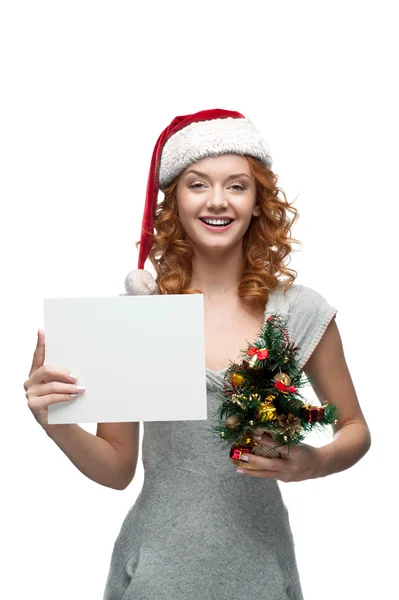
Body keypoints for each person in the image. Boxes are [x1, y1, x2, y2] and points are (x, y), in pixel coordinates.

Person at [24, 109, 371, 600]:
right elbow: (117, 467)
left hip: (260, 572)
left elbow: (355, 428)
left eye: (236, 185)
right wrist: (53, 420)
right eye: (197, 184)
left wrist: (310, 462)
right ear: (175, 202)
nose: (217, 201)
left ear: (258, 202)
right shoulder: (140, 315)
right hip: (154, 573)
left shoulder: (298, 311)